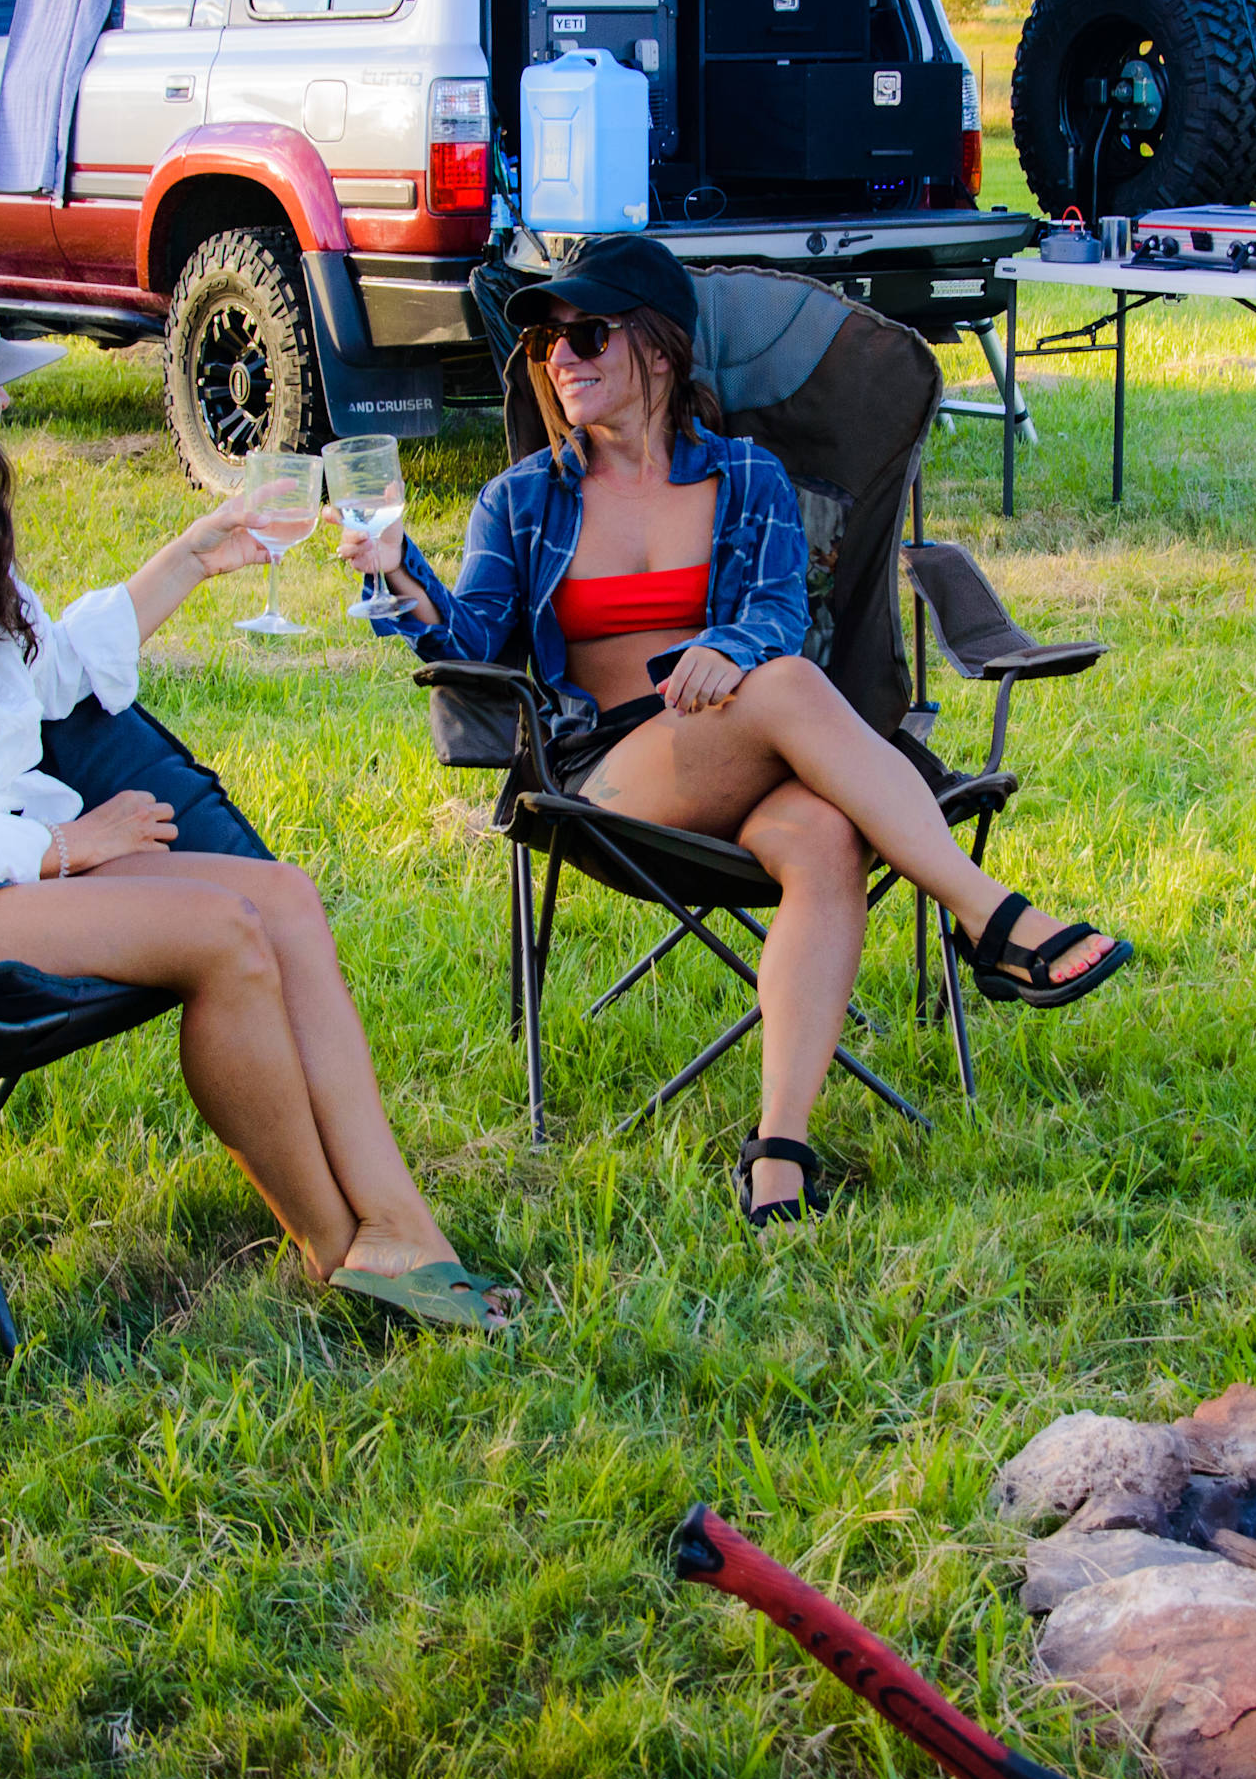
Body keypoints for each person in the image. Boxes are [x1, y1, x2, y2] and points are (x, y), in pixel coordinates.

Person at [0, 252, 506, 1335]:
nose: (7, 404)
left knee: (283, 896)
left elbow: (47, 675)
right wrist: (78, 848)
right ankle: (336, 1253)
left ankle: (404, 1229)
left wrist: (190, 559)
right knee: (222, 933)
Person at [345, 235, 1135, 1227]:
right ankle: (992, 919)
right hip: (606, 776)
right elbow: (477, 641)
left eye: (590, 333)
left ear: (661, 354)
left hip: (750, 747)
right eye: (550, 341)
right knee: (786, 683)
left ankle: (779, 1154)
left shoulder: (746, 477)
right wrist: (397, 571)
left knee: (825, 834)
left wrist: (727, 649)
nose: (562, 358)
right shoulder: (524, 499)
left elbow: (770, 613)